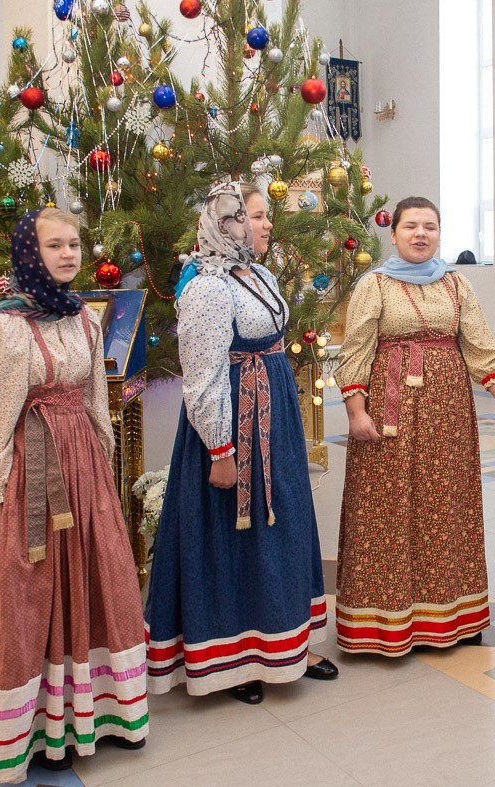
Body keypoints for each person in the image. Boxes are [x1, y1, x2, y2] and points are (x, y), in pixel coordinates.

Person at [0, 207, 147, 784]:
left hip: (83, 464)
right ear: (30, 252)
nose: (69, 253)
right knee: (30, 587)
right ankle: (38, 729)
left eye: (74, 243)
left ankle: (94, 713)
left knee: (99, 574)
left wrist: (101, 468)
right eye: (55, 245)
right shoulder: (5, 327)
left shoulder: (83, 318)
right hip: (31, 466)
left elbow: (97, 400)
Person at [144, 183, 335, 706]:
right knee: (233, 534)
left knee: (283, 525)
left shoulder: (258, 274)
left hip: (274, 418)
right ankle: (234, 659)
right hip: (233, 422)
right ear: (226, 223)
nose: (267, 224)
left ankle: (287, 645)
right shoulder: (207, 288)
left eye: (265, 216)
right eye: (255, 216)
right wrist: (220, 450)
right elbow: (203, 377)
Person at [335, 196, 495, 656]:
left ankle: (453, 615)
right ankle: (383, 622)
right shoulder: (374, 285)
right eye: (411, 226)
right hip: (390, 415)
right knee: (386, 509)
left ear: (440, 233)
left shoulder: (457, 284)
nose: (420, 234)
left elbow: (480, 347)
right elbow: (356, 350)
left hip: (448, 416)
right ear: (393, 234)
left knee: (446, 507)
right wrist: (357, 412)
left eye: (429, 226)